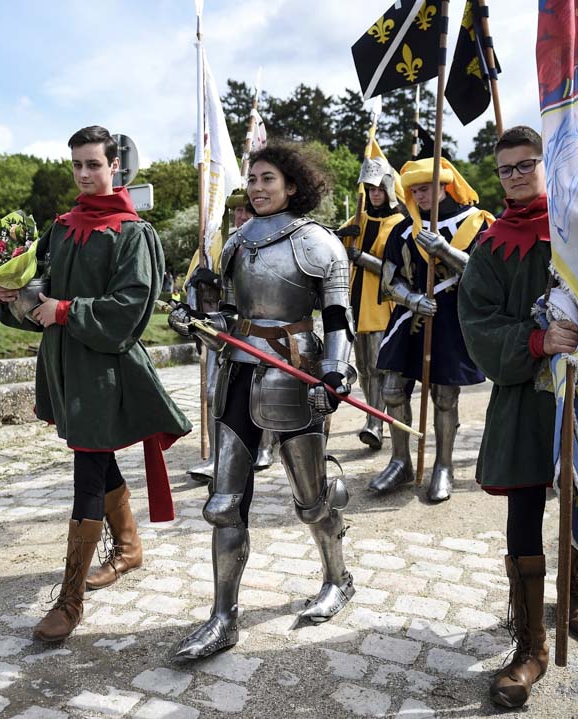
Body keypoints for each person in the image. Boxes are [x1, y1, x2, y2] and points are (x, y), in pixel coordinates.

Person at [457, 126, 578, 709]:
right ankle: (531, 646)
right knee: (523, 510)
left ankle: (576, 594)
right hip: (525, 395)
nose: (515, 175)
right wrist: (537, 338)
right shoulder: (490, 246)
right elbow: (478, 322)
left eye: (526, 165)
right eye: (506, 169)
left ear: (549, 165)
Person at [0, 125, 191, 644]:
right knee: (97, 459)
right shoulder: (59, 230)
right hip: (64, 368)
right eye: (77, 165)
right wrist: (9, 298)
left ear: (116, 167)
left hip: (106, 373)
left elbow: (129, 311)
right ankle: (128, 548)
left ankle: (70, 602)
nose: (85, 174)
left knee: (87, 472)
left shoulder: (134, 234)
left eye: (94, 165)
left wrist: (65, 310)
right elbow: (38, 303)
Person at [169, 141, 357, 660]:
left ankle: (337, 578)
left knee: (311, 501)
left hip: (294, 375)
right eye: (252, 179)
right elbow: (226, 316)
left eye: (267, 179)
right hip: (236, 377)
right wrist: (196, 322)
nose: (256, 187)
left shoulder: (318, 243)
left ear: (292, 185)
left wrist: (335, 373)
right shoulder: (235, 242)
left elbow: (338, 320)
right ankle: (223, 618)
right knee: (224, 506)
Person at [371, 158, 491, 502]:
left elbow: (485, 277)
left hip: (452, 319)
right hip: (410, 319)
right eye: (415, 190)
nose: (420, 195)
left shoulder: (476, 224)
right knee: (392, 390)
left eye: (426, 188)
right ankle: (400, 460)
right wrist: (411, 300)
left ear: (444, 186)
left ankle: (443, 465)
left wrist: (446, 251)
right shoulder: (403, 230)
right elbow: (389, 282)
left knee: (444, 395)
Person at [184, 189, 278, 483]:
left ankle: (264, 447)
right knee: (214, 394)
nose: (241, 216)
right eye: (237, 211)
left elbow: (267, 287)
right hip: (221, 332)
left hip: (257, 332)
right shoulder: (214, 244)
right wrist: (200, 288)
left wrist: (218, 283)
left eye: (247, 210)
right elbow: (196, 290)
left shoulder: (268, 242)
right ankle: (217, 457)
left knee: (258, 391)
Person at [338, 154, 404, 451]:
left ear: (389, 189)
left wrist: (361, 257)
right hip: (355, 303)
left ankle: (377, 423)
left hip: (382, 303)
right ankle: (372, 417)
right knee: (364, 369)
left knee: (380, 367)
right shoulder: (356, 221)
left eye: (378, 188)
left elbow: (397, 268)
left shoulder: (400, 223)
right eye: (369, 189)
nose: (374, 194)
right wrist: (339, 237)